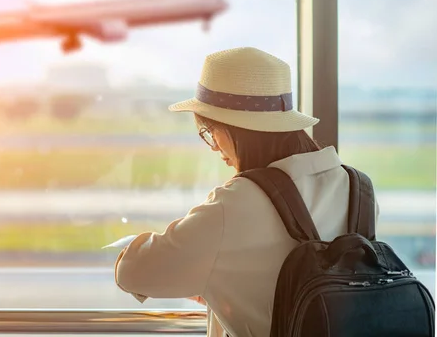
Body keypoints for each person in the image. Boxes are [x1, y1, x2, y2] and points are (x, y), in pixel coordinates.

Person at [114, 47, 379, 337]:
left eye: (210, 132)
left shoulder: (235, 204)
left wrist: (206, 271)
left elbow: (133, 272)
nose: (215, 147)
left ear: (233, 130)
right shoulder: (358, 189)